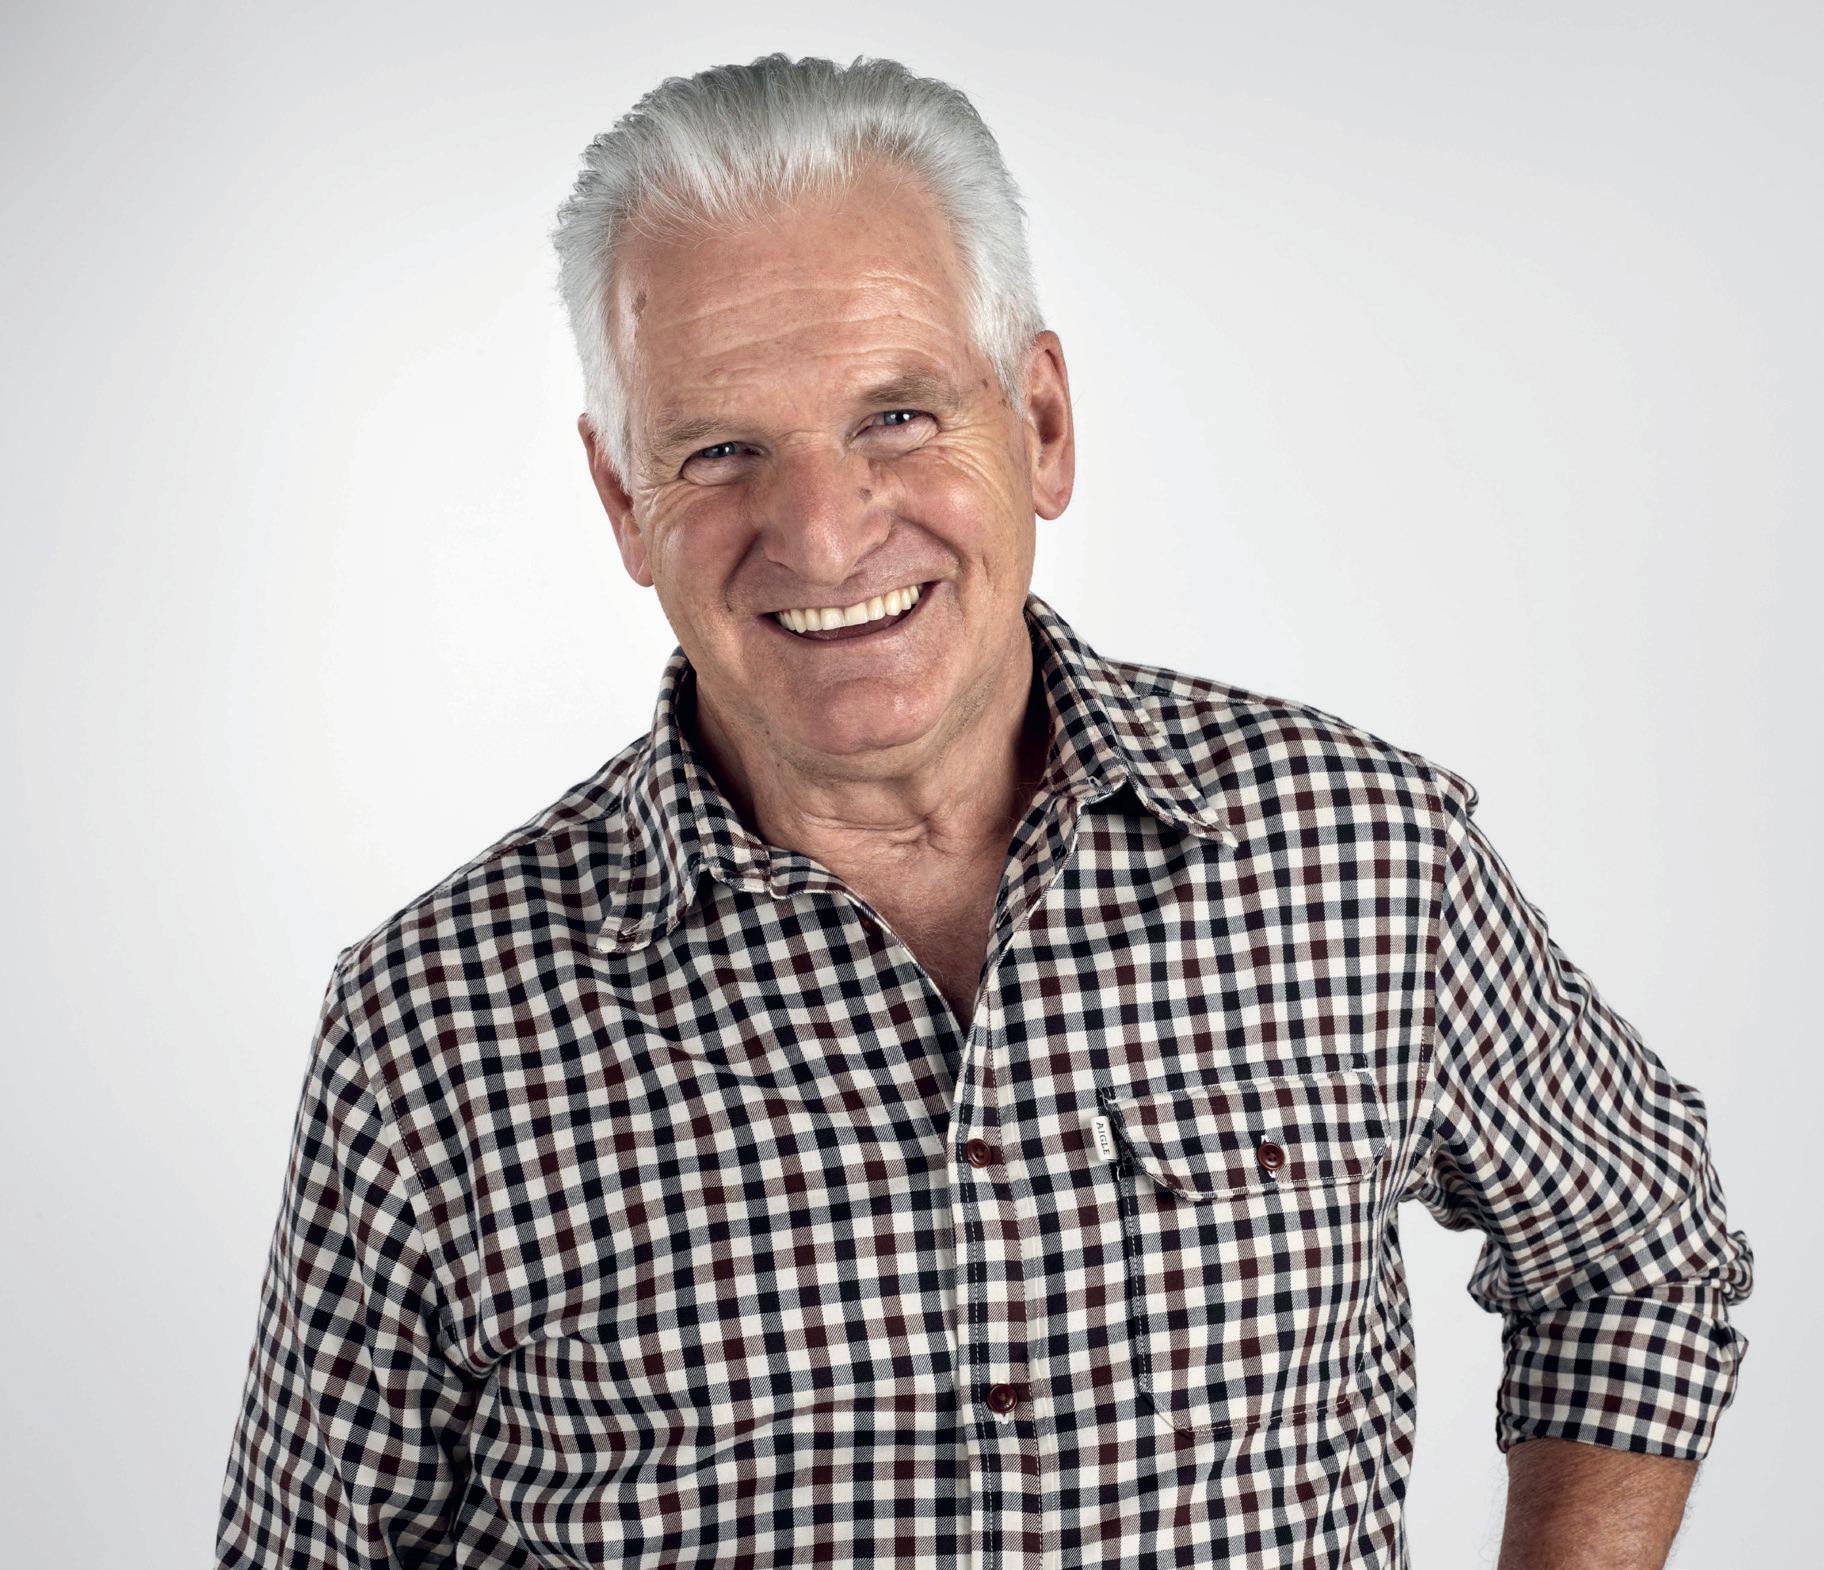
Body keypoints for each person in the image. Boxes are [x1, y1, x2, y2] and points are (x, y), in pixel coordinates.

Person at [217, 52, 1754, 1570]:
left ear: (1042, 422)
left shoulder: (1360, 857)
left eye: (896, 416)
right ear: (625, 498)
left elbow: (1637, 1255)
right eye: (721, 450)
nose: (824, 536)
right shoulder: (431, 1029)